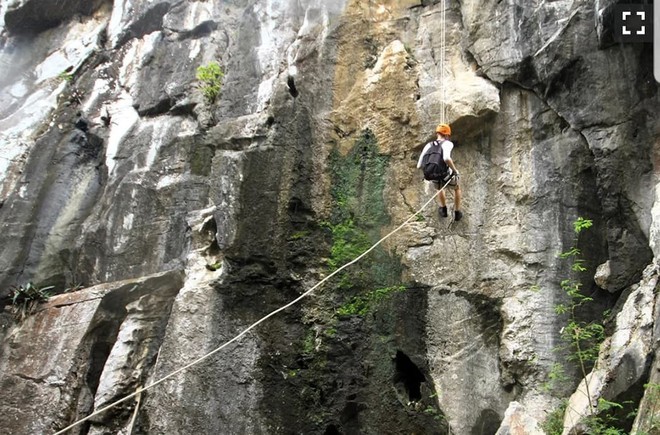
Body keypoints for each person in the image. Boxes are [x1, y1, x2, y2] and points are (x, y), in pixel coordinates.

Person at [417, 123, 463, 221]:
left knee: (439, 187)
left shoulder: (428, 145)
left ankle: (443, 209)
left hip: (433, 175)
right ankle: (457, 212)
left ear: (437, 133)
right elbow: (446, 158)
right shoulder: (447, 143)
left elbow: (419, 165)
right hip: (446, 174)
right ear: (447, 135)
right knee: (457, 188)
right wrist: (455, 171)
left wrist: (430, 170)